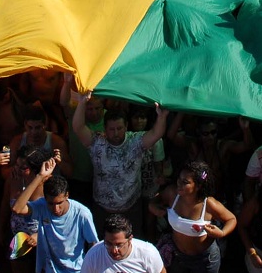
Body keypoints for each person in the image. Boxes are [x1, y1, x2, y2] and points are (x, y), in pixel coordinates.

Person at [73, 95, 168, 233]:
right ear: (105, 128)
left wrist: (162, 116)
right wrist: (82, 102)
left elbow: (156, 133)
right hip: (102, 209)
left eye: (119, 128)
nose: (116, 133)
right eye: (112, 129)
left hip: (131, 209)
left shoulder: (136, 140)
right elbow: (78, 127)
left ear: (126, 126)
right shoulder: (96, 142)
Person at [146, 161, 236, 273]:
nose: (179, 183)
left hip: (205, 261)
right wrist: (152, 206)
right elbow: (156, 199)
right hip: (178, 257)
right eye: (179, 179)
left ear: (198, 186)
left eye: (185, 182)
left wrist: (221, 233)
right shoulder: (172, 194)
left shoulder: (209, 204)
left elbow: (231, 219)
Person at [11, 160, 99, 273]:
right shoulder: (41, 206)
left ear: (67, 195)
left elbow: (93, 244)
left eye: (59, 203)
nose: (56, 209)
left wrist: (90, 268)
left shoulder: (82, 213)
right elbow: (17, 208)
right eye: (51, 204)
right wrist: (40, 176)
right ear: (45, 198)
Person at [80, 215, 164, 273]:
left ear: (130, 239)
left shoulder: (148, 253)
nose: (114, 250)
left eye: (119, 244)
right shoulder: (93, 255)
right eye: (109, 244)